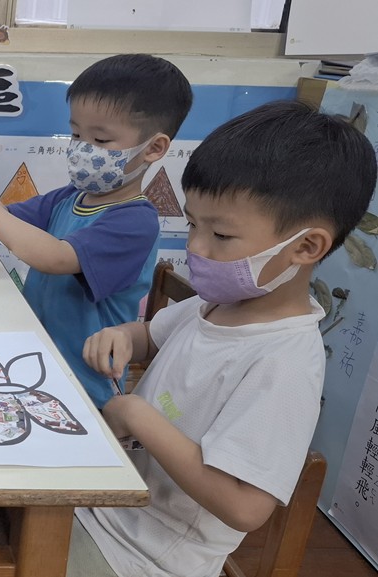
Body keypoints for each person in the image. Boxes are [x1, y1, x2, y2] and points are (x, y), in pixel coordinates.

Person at [77, 100, 377, 577]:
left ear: (305, 246)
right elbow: (150, 337)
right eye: (193, 224)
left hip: (142, 556)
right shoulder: (216, 304)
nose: (195, 247)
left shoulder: (284, 363)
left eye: (220, 235)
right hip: (103, 502)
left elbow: (245, 507)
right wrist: (120, 337)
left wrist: (137, 415)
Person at [0, 54, 192, 409]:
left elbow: (56, 258)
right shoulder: (70, 197)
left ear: (153, 148)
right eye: (76, 134)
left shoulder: (135, 222)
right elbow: (8, 220)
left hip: (82, 382)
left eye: (100, 139)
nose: (83, 148)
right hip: (35, 359)